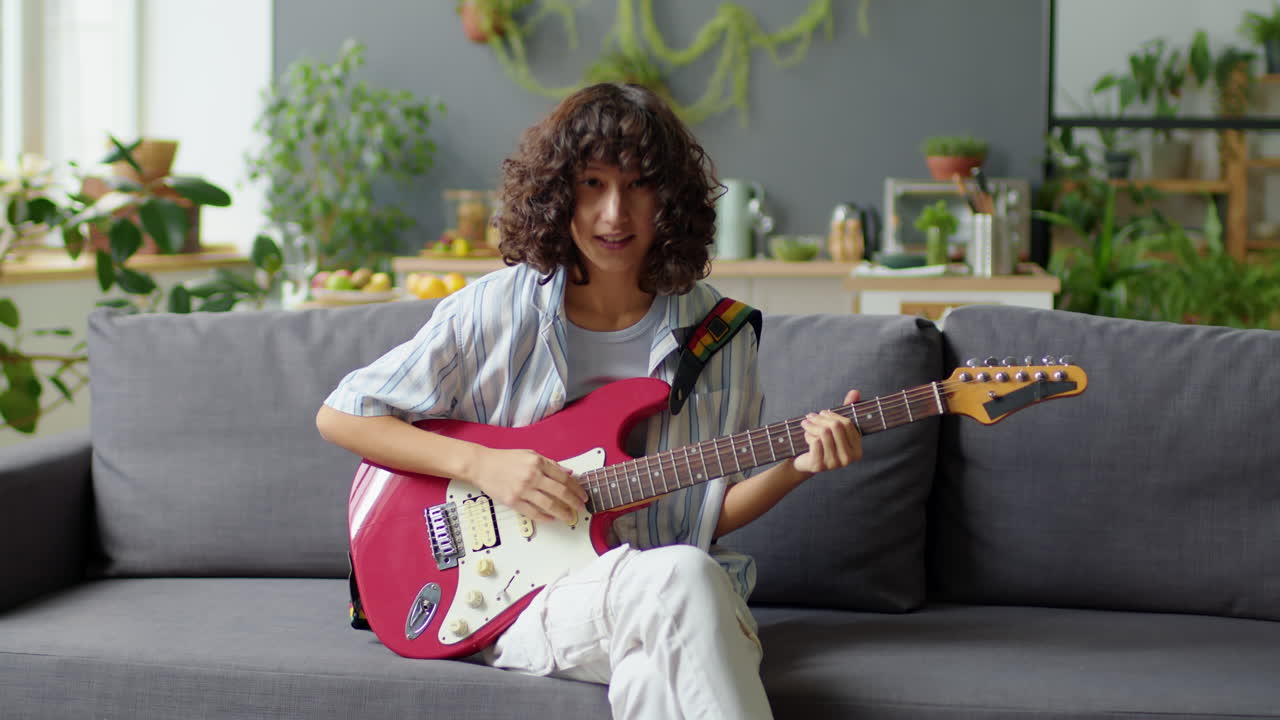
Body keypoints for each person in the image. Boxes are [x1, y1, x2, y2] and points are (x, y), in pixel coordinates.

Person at [316, 82, 862, 719]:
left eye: (637, 186)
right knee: (685, 580)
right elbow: (342, 414)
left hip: (667, 596)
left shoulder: (720, 335)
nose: (615, 215)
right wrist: (481, 466)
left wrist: (797, 465)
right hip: (521, 597)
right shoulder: (496, 309)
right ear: (557, 193)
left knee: (665, 646)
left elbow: (708, 511)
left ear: (670, 199)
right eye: (593, 185)